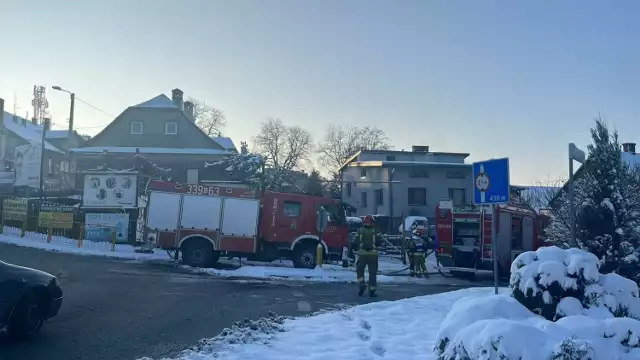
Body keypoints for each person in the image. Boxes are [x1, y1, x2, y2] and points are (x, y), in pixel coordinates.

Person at [353, 215, 382, 297]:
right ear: (372, 222)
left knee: (359, 270)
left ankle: (361, 284)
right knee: (372, 273)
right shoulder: (376, 231)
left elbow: (355, 242)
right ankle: (372, 291)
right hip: (373, 255)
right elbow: (379, 242)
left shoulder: (359, 231)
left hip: (362, 255)